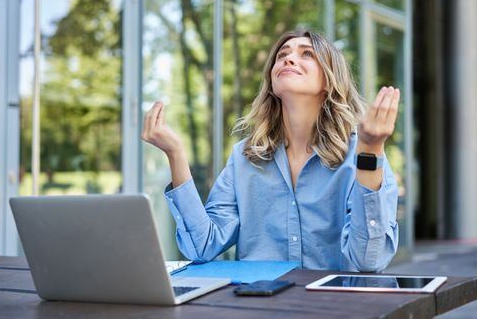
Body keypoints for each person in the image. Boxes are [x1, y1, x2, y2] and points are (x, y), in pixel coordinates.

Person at [142, 30, 400, 271]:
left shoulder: (361, 153)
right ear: (272, 82)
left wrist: (371, 150)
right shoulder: (245, 157)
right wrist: (176, 154)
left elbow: (369, 260)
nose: (289, 60)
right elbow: (202, 246)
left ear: (329, 79)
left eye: (306, 54)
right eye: (282, 55)